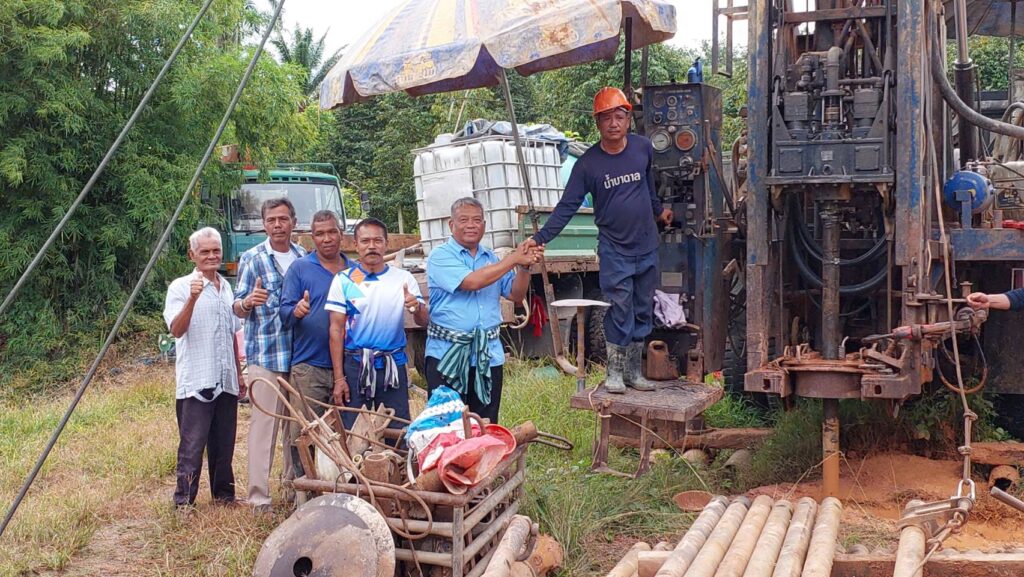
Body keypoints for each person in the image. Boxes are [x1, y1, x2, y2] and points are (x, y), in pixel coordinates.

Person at [526, 86, 672, 393]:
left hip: (647, 245)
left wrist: (659, 212)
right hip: (614, 249)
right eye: (606, 118)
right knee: (619, 307)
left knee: (643, 308)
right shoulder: (587, 165)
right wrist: (540, 237)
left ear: (628, 119)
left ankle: (634, 372)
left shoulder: (643, 148)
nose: (614, 124)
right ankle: (614, 373)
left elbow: (648, 186)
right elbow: (567, 207)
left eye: (619, 117)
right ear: (598, 123)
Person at [424, 198, 540, 423]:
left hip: (487, 356)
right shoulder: (440, 256)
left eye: (477, 220)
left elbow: (515, 295)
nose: (471, 225)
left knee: (485, 423)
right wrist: (513, 258)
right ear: (451, 224)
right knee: (446, 425)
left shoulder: (491, 258)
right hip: (446, 356)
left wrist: (524, 266)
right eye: (464, 220)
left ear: (484, 225)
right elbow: (472, 282)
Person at [233, 197, 307, 512]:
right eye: (271, 220)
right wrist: (249, 301)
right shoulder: (252, 258)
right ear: (264, 224)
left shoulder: (303, 258)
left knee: (296, 429)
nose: (278, 225)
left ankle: (293, 490)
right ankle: (258, 498)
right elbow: (236, 306)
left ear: (293, 222)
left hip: (299, 357)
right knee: (264, 429)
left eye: (283, 219)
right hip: (265, 357)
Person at [326, 218, 428, 435]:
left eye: (377, 241)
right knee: (354, 433)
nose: (371, 246)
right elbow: (336, 330)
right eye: (365, 241)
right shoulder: (344, 280)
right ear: (356, 245)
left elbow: (423, 320)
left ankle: (396, 459)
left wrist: (417, 306)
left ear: (386, 244)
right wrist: (339, 378)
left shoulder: (402, 278)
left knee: (397, 432)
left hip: (393, 365)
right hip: (356, 365)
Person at [163, 227, 242, 509]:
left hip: (225, 379)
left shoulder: (226, 287)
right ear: (192, 255)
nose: (211, 256)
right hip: (197, 380)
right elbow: (176, 330)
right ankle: (184, 502)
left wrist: (239, 375)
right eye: (204, 251)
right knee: (192, 446)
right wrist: (192, 299)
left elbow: (232, 334)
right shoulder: (181, 287)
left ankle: (224, 497)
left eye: (215, 251)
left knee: (224, 444)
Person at [279, 210, 352, 477]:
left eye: (332, 232)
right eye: (320, 234)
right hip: (309, 366)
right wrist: (296, 310)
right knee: (304, 433)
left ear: (341, 234)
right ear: (312, 238)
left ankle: (343, 486)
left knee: (347, 432)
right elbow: (284, 313)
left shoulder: (354, 271)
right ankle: (303, 489)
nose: (327, 238)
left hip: (349, 365)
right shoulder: (300, 269)